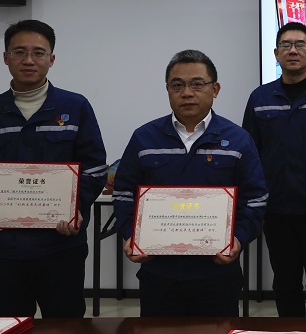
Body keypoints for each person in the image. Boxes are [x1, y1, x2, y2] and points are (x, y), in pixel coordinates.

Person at [0, 19, 108, 318]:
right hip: (0, 249)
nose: (29, 60)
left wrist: (76, 209)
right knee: (7, 328)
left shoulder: (76, 107)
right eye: (19, 52)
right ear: (6, 57)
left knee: (65, 329)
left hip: (61, 248)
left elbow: (94, 169)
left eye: (38, 52)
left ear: (51, 59)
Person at [113, 50, 269, 317]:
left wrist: (238, 239)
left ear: (215, 89)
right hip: (158, 272)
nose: (186, 93)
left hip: (217, 272)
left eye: (197, 84)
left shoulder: (238, 139)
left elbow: (255, 198)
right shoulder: (144, 138)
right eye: (177, 85)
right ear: (168, 90)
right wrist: (131, 235)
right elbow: (124, 193)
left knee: (216, 333)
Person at [242, 23, 306, 317]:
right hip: (276, 209)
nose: (292, 51)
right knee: (285, 283)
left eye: (300, 45)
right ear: (276, 53)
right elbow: (250, 154)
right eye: (285, 45)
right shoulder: (260, 98)